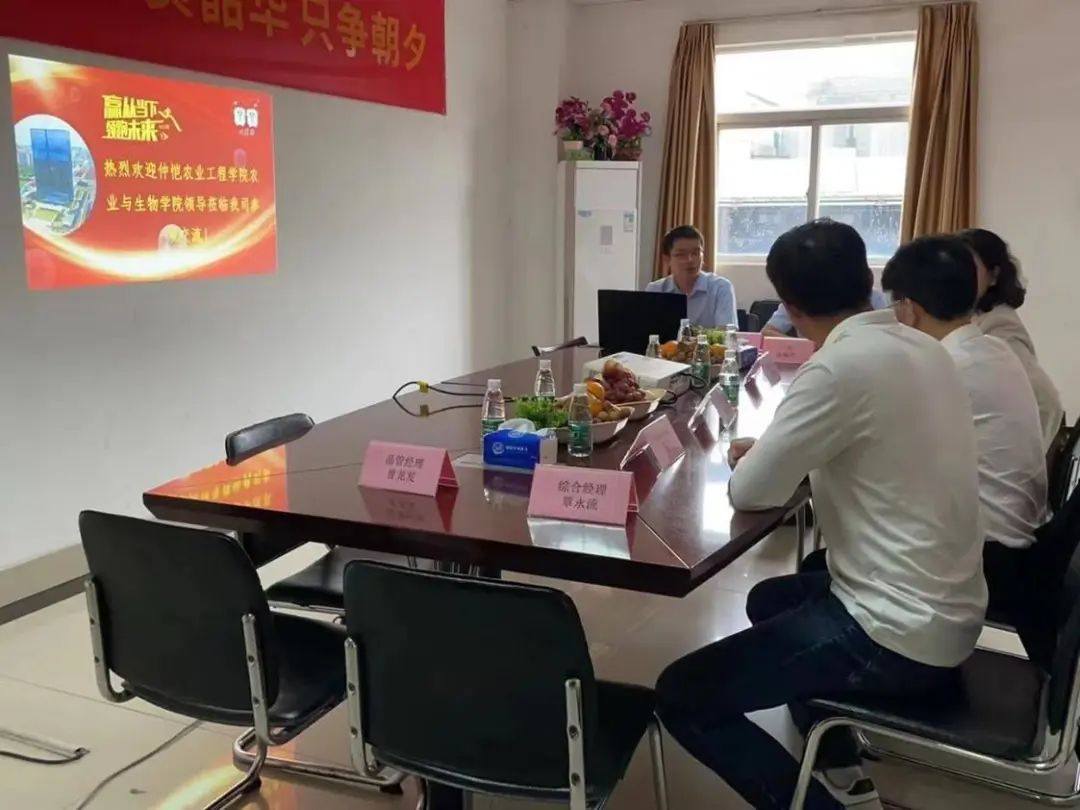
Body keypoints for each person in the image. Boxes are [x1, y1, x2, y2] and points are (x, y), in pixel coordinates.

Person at [655, 219, 986, 810]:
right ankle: (836, 761)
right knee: (771, 599)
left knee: (683, 693)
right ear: (867, 280)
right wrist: (792, 451)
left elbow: (750, 492)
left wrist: (769, 456)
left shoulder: (837, 367)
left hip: (894, 633)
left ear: (788, 306)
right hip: (953, 608)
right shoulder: (927, 350)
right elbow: (874, 449)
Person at [882, 235, 1047, 627]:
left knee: (826, 565)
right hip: (1021, 549)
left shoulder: (943, 367)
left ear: (909, 309)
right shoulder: (992, 349)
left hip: (987, 561)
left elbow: (878, 454)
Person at [958, 228, 1064, 450]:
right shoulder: (973, 316)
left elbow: (1045, 402)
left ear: (994, 276)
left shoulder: (1000, 324)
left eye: (968, 267)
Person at [646, 225, 737, 328]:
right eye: (681, 254)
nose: (690, 260)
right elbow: (647, 331)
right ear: (667, 259)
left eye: (695, 253)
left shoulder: (720, 288)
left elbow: (727, 334)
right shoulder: (656, 289)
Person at [762, 289, 890, 338]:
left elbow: (888, 334)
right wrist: (805, 347)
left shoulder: (873, 297)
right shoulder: (799, 293)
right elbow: (767, 332)